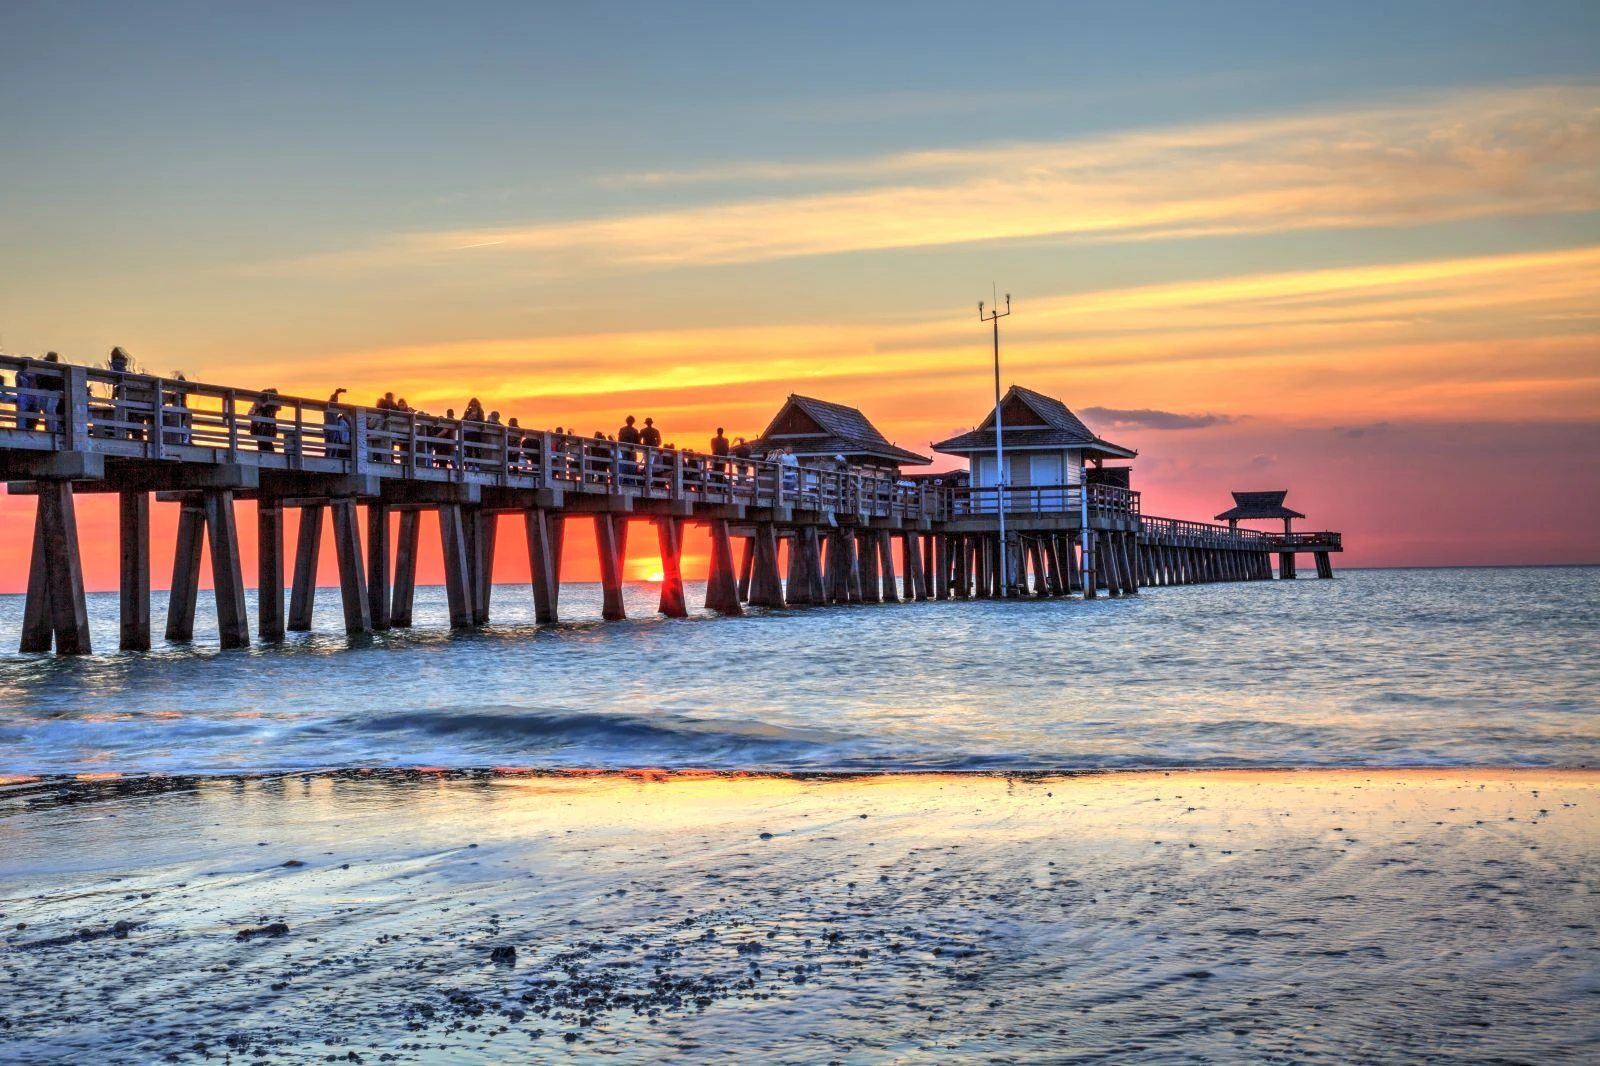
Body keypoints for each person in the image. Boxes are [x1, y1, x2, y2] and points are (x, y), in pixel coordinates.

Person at [248, 387, 283, 452]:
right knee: (265, 445)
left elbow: (278, 407)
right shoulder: (262, 407)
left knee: (265, 445)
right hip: (263, 429)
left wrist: (262, 404)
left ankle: (268, 456)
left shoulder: (270, 407)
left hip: (264, 429)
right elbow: (250, 413)